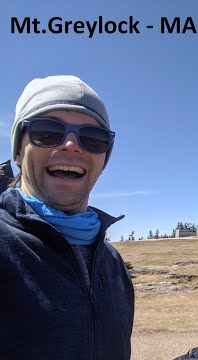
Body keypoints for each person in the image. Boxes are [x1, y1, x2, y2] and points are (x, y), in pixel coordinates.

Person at [0, 75, 134, 359]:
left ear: (104, 160)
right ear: (18, 153)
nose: (72, 145)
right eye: (47, 132)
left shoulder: (112, 263)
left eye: (93, 139)